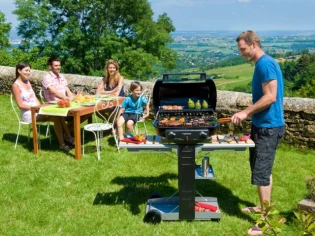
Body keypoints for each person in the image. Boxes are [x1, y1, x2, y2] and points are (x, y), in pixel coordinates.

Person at [231, 30, 285, 235]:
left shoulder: (266, 64)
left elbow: (271, 96)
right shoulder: (260, 64)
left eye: (243, 49)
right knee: (258, 168)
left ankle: (265, 221)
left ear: (253, 44)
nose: (241, 53)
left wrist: (245, 112)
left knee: (261, 174)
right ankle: (262, 207)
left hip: (269, 128)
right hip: (261, 125)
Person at [12, 62, 75, 153]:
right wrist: (35, 108)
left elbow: (34, 98)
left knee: (57, 114)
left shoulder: (27, 81)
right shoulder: (16, 85)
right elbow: (20, 105)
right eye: (26, 70)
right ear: (19, 71)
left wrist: (40, 106)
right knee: (56, 115)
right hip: (28, 113)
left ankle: (66, 140)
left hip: (37, 110)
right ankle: (65, 141)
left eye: (29, 70)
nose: (28, 72)